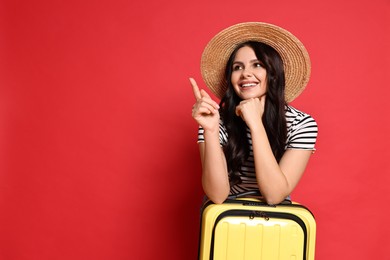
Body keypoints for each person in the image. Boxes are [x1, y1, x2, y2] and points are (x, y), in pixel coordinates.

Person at [190, 22, 318, 205]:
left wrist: (256, 124)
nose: (245, 74)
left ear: (273, 73)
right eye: (237, 67)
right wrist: (210, 131)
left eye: (257, 65)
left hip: (276, 216)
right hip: (227, 212)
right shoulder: (214, 120)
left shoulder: (301, 123)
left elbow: (274, 195)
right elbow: (217, 195)